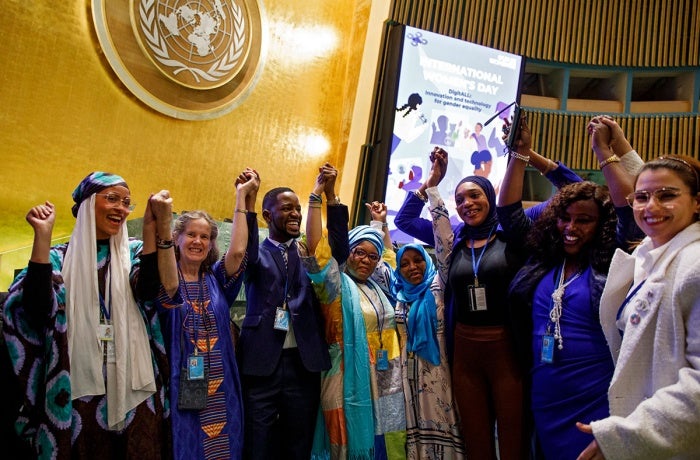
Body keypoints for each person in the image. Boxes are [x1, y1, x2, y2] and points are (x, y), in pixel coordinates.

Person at [498, 114, 642, 459]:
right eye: (565, 218)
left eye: (584, 220)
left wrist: (604, 151)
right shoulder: (543, 260)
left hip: (595, 396)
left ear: (600, 223)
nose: (571, 227)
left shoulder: (610, 262)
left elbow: (628, 214)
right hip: (545, 396)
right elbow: (510, 217)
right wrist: (520, 153)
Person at [2, 172, 169, 459]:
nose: (121, 207)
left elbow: (150, 289)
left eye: (127, 202)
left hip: (132, 383)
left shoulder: (134, 254)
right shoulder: (58, 258)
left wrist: (154, 228)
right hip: (77, 388)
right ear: (87, 205)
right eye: (112, 198)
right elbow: (37, 310)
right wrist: (42, 237)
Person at [575, 153, 700, 458]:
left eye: (667, 195)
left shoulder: (695, 265)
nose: (651, 206)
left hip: (676, 439)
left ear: (697, 202)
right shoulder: (650, 254)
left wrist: (629, 436)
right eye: (641, 197)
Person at [236, 163, 346, 459]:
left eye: (298, 208)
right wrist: (248, 199)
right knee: (257, 445)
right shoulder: (256, 253)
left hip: (303, 363)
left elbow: (339, 249)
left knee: (298, 446)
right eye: (287, 209)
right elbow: (243, 252)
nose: (296, 214)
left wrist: (330, 196)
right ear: (268, 216)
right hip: (262, 364)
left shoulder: (308, 253)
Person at [147, 175, 256, 459]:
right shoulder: (164, 280)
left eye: (205, 236)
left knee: (227, 447)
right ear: (176, 238)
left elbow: (239, 251)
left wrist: (240, 197)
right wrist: (162, 221)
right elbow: (171, 287)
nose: (198, 241)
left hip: (223, 384)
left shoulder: (216, 279)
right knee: (187, 447)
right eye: (192, 234)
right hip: (182, 383)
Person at [304, 190, 405, 459]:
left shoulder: (380, 288)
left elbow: (390, 262)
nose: (366, 261)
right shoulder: (336, 287)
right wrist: (317, 198)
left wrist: (380, 224)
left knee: (386, 441)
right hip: (346, 376)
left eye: (372, 257)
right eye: (359, 252)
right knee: (346, 444)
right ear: (349, 252)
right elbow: (318, 255)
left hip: (386, 376)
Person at [391, 170, 465, 459]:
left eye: (418, 260)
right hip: (410, 383)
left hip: (442, 378)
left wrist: (432, 189)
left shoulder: (439, 285)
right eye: (405, 263)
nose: (412, 268)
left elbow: (445, 242)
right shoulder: (398, 296)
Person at [394, 145, 582, 248]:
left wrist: (526, 152)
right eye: (459, 200)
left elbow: (576, 191)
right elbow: (404, 220)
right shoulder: (454, 236)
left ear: (490, 198)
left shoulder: (518, 223)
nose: (467, 203)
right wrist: (431, 181)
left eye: (475, 195)